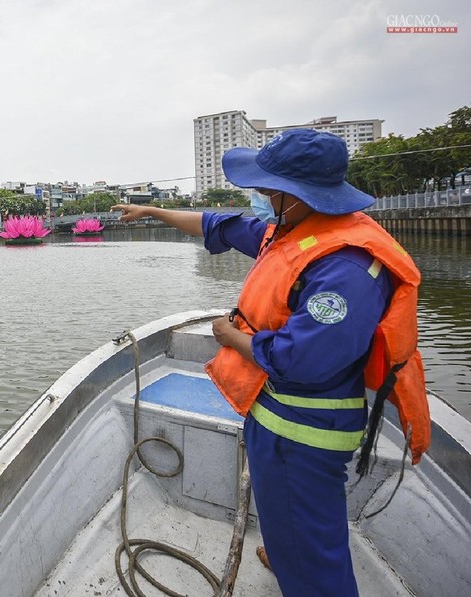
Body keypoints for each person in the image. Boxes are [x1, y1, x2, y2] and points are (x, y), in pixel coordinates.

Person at [112, 128, 429, 596]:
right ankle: (284, 552)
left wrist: (231, 336)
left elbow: (300, 359)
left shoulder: (345, 267)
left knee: (313, 552)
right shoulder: (295, 231)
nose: (259, 196)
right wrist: (152, 211)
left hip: (302, 430)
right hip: (276, 417)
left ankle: (301, 567)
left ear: (299, 195)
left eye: (267, 189)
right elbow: (216, 225)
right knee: (290, 517)